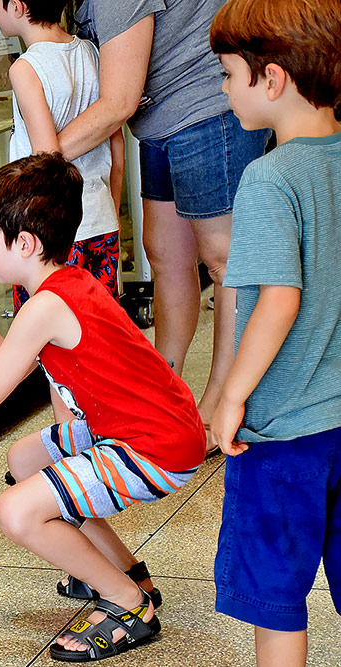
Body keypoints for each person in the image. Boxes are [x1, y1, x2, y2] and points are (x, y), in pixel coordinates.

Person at [0, 153, 205, 662]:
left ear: (25, 243)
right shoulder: (63, 284)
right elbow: (3, 367)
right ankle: (127, 572)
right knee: (23, 460)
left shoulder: (47, 305)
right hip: (152, 426)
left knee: (15, 512)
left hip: (154, 446)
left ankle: (129, 604)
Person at [56, 0, 269, 447]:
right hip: (160, 118)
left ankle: (223, 400)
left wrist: (37, 161)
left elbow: (119, 99)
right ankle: (162, 390)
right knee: (165, 255)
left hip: (206, 105)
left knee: (223, 259)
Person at [208, 1, 341, 664]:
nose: (224, 88)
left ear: (274, 79)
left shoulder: (270, 179)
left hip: (283, 432)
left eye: (229, 73)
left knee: (276, 596)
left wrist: (232, 395)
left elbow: (277, 301)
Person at [0, 0, 123, 427]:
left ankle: (72, 449)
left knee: (57, 352)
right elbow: (115, 142)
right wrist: (109, 207)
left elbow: (46, 159)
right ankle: (105, 434)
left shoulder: (25, 68)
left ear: (17, 6)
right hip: (98, 221)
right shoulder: (90, 51)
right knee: (99, 343)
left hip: (49, 236)